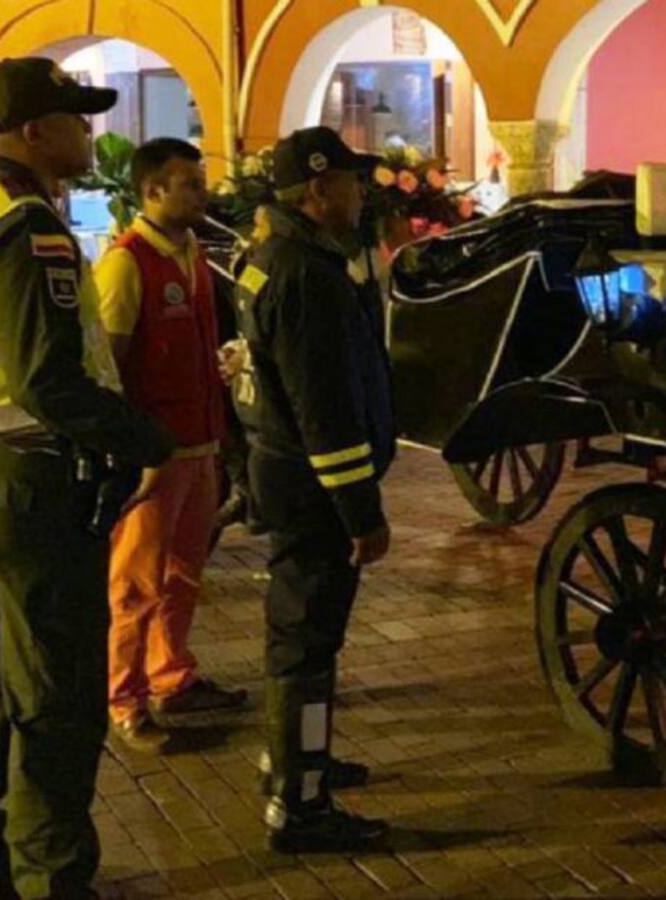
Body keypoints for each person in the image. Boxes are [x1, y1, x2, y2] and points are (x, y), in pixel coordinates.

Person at [0, 58, 175, 899]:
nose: (89, 131)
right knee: (55, 695)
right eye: (76, 117)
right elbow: (49, 381)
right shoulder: (28, 226)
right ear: (34, 133)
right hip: (28, 481)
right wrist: (146, 438)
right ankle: (53, 877)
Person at [231, 126, 395, 852]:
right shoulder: (306, 276)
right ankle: (301, 805)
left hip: (284, 474)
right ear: (318, 191)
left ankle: (296, 760)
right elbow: (325, 413)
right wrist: (362, 513)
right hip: (314, 489)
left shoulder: (274, 259)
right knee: (307, 646)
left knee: (299, 638)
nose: (363, 193)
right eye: (353, 182)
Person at [94, 138, 248, 751]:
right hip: (154, 457)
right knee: (135, 581)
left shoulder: (192, 256)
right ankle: (124, 696)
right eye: (189, 183)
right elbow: (110, 365)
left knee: (184, 571)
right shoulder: (126, 264)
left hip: (200, 443)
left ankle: (171, 673)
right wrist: (129, 449)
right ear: (152, 190)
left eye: (201, 180)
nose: (202, 192)